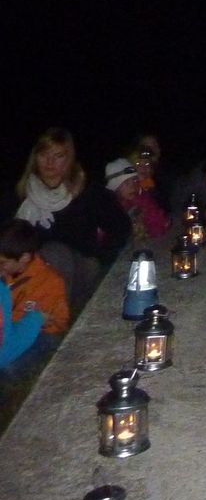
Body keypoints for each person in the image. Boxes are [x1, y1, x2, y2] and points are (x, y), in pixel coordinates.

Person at [3, 128, 130, 308]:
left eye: (58, 156)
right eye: (44, 154)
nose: (50, 162)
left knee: (56, 253)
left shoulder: (86, 192)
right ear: (35, 157)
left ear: (69, 158)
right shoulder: (22, 194)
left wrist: (100, 258)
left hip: (80, 270)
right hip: (31, 272)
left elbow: (121, 226)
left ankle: (58, 316)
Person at [0, 218, 69, 367]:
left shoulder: (49, 282)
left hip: (42, 332)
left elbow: (50, 321)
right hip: (14, 330)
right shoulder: (5, 274)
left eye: (3, 262)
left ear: (24, 258)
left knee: (9, 367)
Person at [106, 158, 169, 241]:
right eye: (126, 183)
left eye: (134, 181)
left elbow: (160, 223)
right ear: (116, 187)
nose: (132, 186)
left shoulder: (142, 197)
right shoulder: (108, 209)